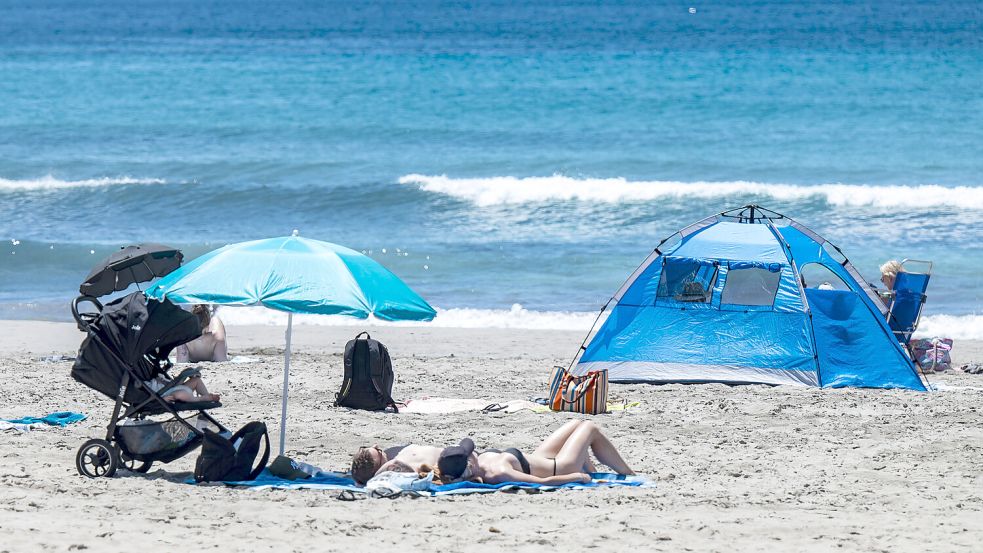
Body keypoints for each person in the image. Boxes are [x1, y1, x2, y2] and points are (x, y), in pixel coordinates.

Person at [473, 420, 633, 485]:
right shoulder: (500, 472)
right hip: (561, 467)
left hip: (536, 459)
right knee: (590, 427)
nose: (471, 452)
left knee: (576, 423)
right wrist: (576, 477)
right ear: (468, 465)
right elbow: (542, 482)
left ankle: (592, 470)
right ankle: (628, 472)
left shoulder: (475, 463)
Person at [350, 439, 477, 486]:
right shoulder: (397, 468)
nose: (377, 444)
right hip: (456, 460)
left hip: (453, 455)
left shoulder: (393, 457)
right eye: (377, 450)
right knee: (467, 443)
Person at [142, 370, 220, 403]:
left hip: (175, 387)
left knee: (196, 380)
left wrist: (161, 380)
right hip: (170, 394)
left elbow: (170, 383)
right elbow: (151, 400)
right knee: (180, 394)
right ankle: (201, 399)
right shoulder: (146, 386)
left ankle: (206, 395)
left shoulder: (157, 379)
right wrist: (162, 399)